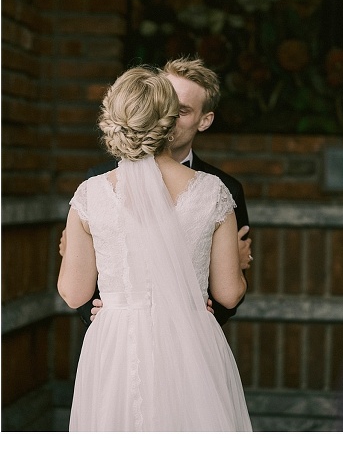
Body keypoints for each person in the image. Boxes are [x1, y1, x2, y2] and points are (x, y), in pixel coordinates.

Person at [57, 66, 252, 430]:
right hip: (190, 341)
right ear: (169, 121)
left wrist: (74, 253)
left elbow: (73, 292)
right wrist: (233, 266)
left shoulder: (91, 193)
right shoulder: (212, 191)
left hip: (115, 339)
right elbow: (227, 294)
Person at [64, 56, 252, 327]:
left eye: (181, 110)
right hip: (117, 332)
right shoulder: (97, 181)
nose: (169, 117)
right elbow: (83, 288)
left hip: (189, 331)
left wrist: (204, 315)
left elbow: (226, 297)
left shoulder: (224, 189)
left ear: (205, 120)